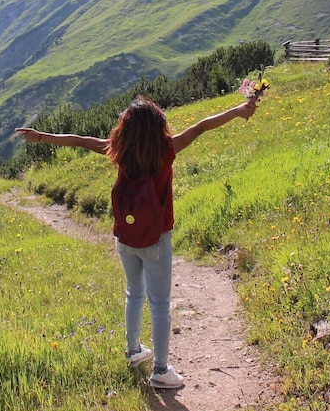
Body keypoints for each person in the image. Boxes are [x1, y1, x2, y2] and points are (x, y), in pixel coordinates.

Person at [15, 94, 259, 389]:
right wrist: (238, 110)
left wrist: (39, 136)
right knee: (159, 304)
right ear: (158, 125)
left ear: (126, 128)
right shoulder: (166, 151)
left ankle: (133, 351)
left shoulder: (118, 150)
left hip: (125, 237)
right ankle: (160, 370)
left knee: (133, 293)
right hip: (157, 238)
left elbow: (80, 140)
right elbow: (201, 126)